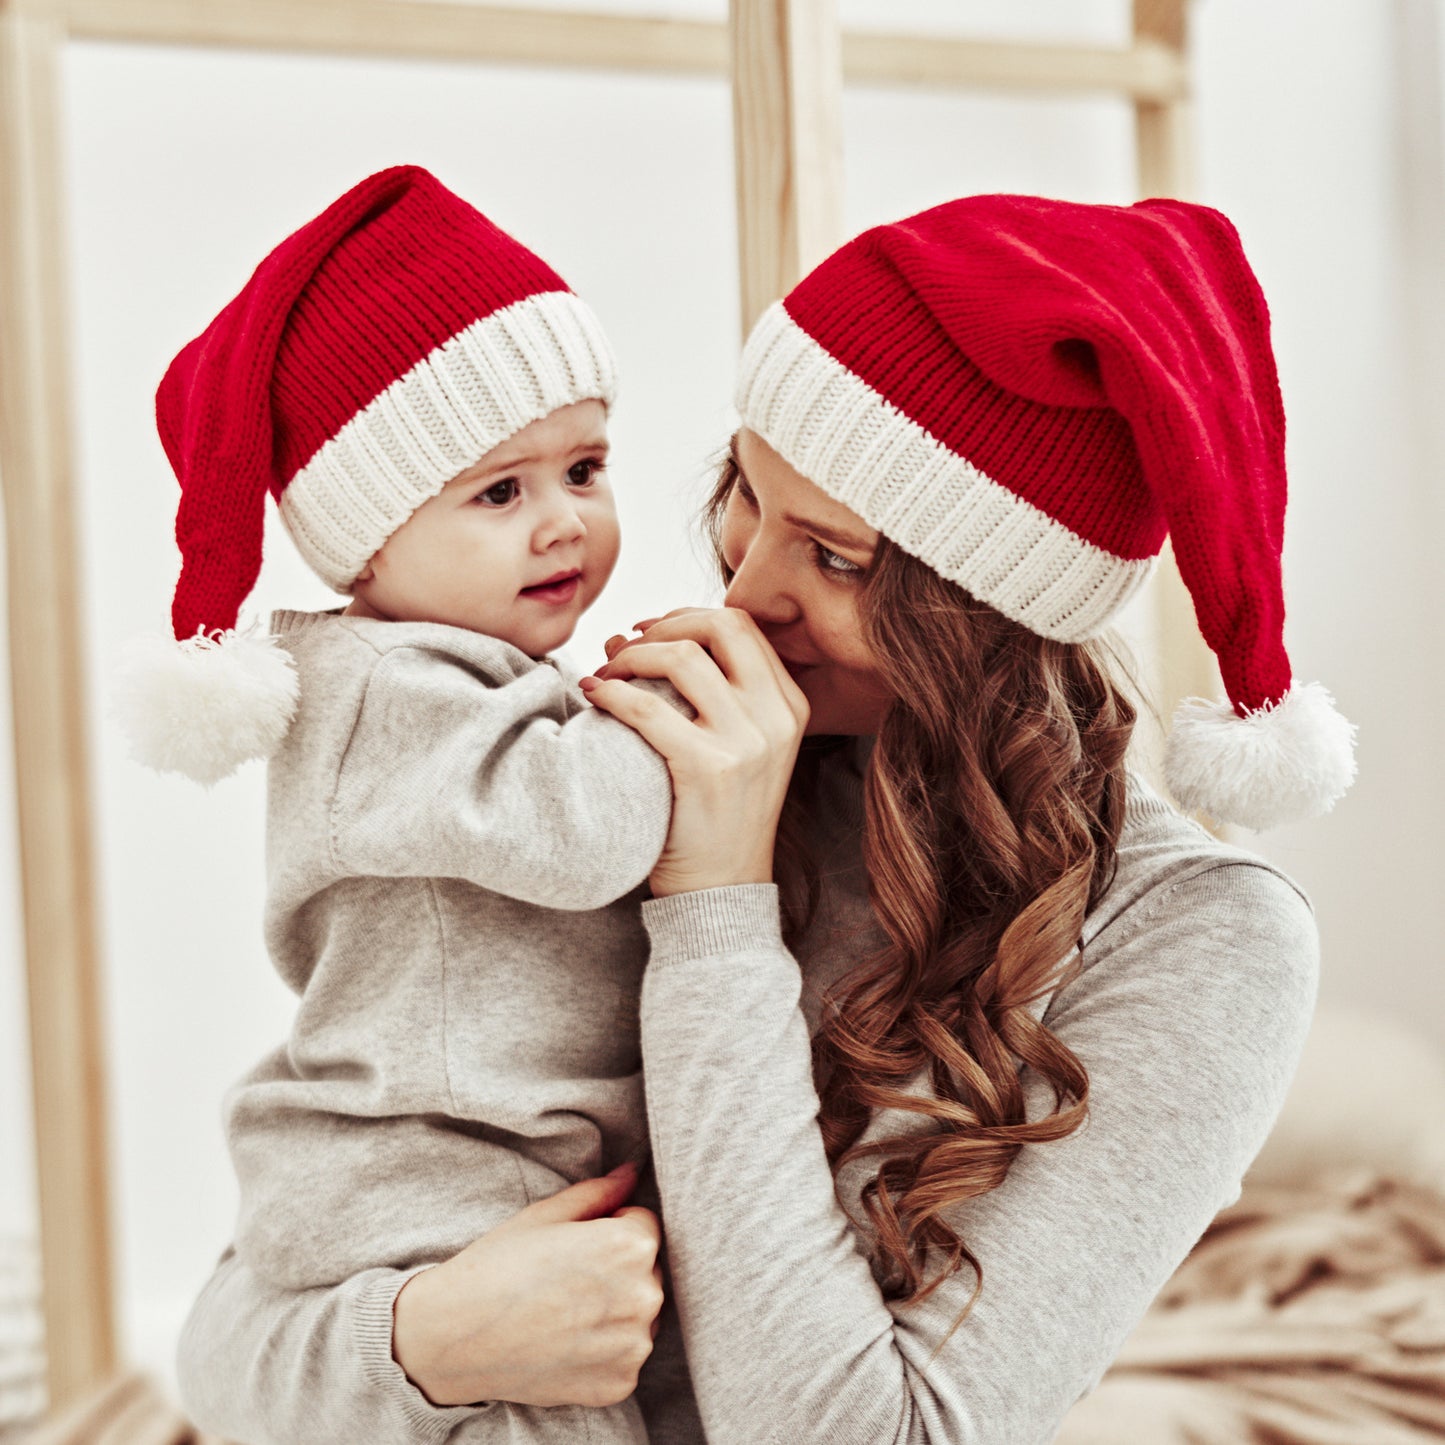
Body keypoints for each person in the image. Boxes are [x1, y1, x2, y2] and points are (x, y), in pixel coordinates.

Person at [175, 194, 1356, 1445]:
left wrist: (713, 909)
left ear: (984, 608)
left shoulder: (1199, 939)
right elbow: (224, 1333)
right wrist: (426, 1341)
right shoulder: (660, 755)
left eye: (836, 559)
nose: (744, 591)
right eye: (745, 494)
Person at [116, 165, 685, 1444]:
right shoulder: (386, 686)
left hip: (493, 1152)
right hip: (425, 1169)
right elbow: (583, 829)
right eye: (500, 491)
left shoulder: (469, 676)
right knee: (546, 1409)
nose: (564, 525)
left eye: (585, 468)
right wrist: (678, 712)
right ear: (368, 542)